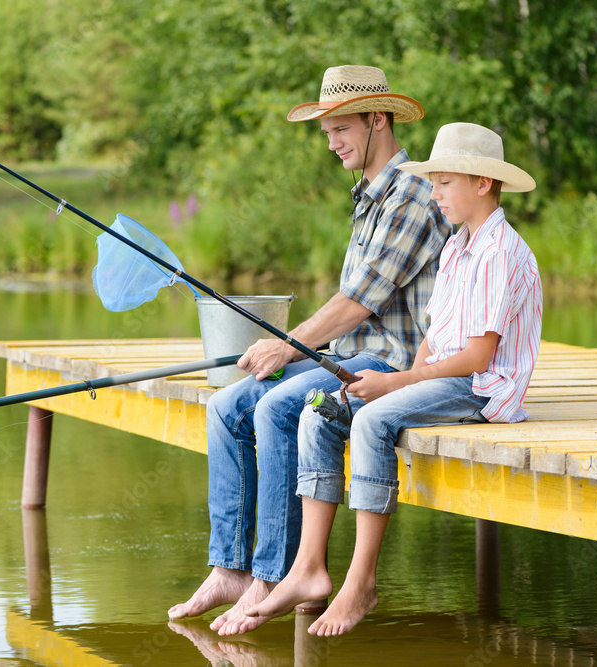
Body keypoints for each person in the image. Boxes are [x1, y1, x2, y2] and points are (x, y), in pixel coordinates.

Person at [167, 65, 452, 635]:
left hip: (392, 364)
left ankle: (274, 574)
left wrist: (287, 344)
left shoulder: (415, 194)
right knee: (226, 407)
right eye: (325, 131)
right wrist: (291, 351)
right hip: (349, 354)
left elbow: (360, 301)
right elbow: (348, 311)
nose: (331, 141)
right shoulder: (371, 194)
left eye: (341, 128)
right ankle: (230, 568)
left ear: (378, 120)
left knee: (276, 406)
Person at [241, 122, 544, 637]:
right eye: (434, 181)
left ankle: (361, 582)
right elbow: (434, 335)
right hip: (440, 374)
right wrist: (405, 376)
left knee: (372, 421)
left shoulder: (500, 252)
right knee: (323, 410)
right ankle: (309, 568)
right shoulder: (457, 248)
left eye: (444, 182)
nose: (434, 192)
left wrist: (395, 385)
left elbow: (476, 357)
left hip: (483, 387)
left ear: (483, 184)